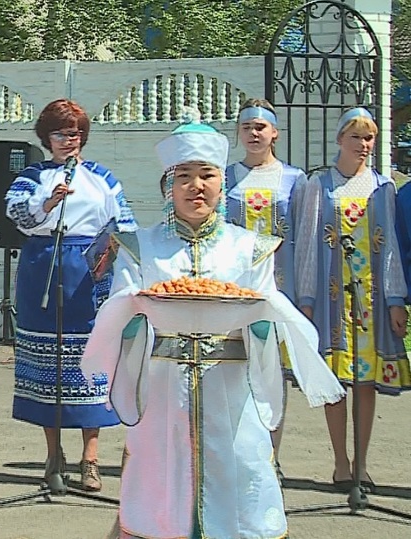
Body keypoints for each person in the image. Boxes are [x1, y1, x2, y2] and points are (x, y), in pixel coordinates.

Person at [83, 114, 345, 539]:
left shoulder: (251, 248)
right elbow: (122, 309)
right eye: (183, 177)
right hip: (164, 388)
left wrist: (261, 321)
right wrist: (136, 314)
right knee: (161, 477)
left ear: (221, 184)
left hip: (231, 387)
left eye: (206, 175)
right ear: (168, 187)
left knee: (238, 474)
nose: (195, 186)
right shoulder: (140, 246)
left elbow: (262, 314)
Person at [3, 98, 137, 491]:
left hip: (87, 268)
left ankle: (90, 458)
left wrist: (115, 255)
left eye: (75, 133)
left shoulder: (102, 178)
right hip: (42, 264)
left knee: (89, 357)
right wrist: (48, 202)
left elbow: (123, 222)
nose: (69, 141)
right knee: (48, 360)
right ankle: (53, 454)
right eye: (61, 133)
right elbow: (17, 214)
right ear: (47, 137)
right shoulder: (33, 176)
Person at [292, 107, 409, 493]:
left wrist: (395, 298)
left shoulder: (382, 186)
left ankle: (362, 462)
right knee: (336, 380)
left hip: (370, 299)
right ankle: (340, 461)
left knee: (365, 382)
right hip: (330, 298)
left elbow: (390, 245)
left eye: (369, 138)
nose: (363, 145)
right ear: (340, 140)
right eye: (356, 137)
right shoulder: (319, 184)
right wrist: (306, 300)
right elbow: (308, 243)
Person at [224, 98, 307, 477]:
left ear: (274, 132)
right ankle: (237, 452)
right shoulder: (226, 177)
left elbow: (305, 240)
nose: (254, 133)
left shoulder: (294, 179)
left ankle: (271, 453)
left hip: (278, 287)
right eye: (247, 127)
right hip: (235, 288)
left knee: (272, 370)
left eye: (261, 126)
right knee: (236, 367)